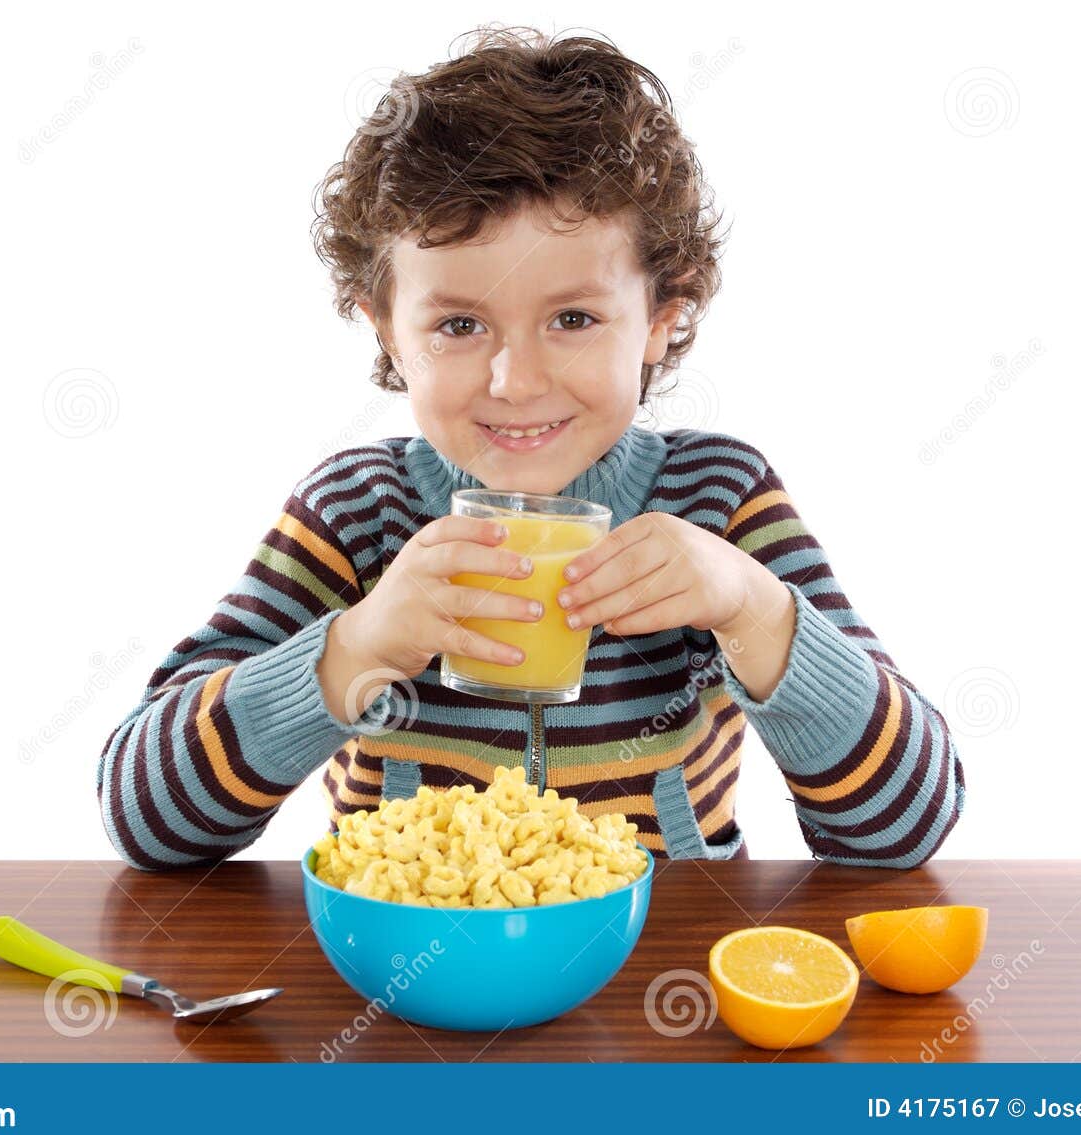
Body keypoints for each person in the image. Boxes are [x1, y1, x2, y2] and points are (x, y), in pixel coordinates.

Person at [98, 25, 964, 871]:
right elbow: (144, 818)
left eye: (574, 318)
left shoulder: (721, 500)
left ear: (662, 318)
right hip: (413, 985)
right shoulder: (356, 514)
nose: (515, 380)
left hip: (659, 985)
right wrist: (352, 652)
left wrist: (751, 609)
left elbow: (906, 829)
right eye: (460, 324)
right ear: (391, 335)